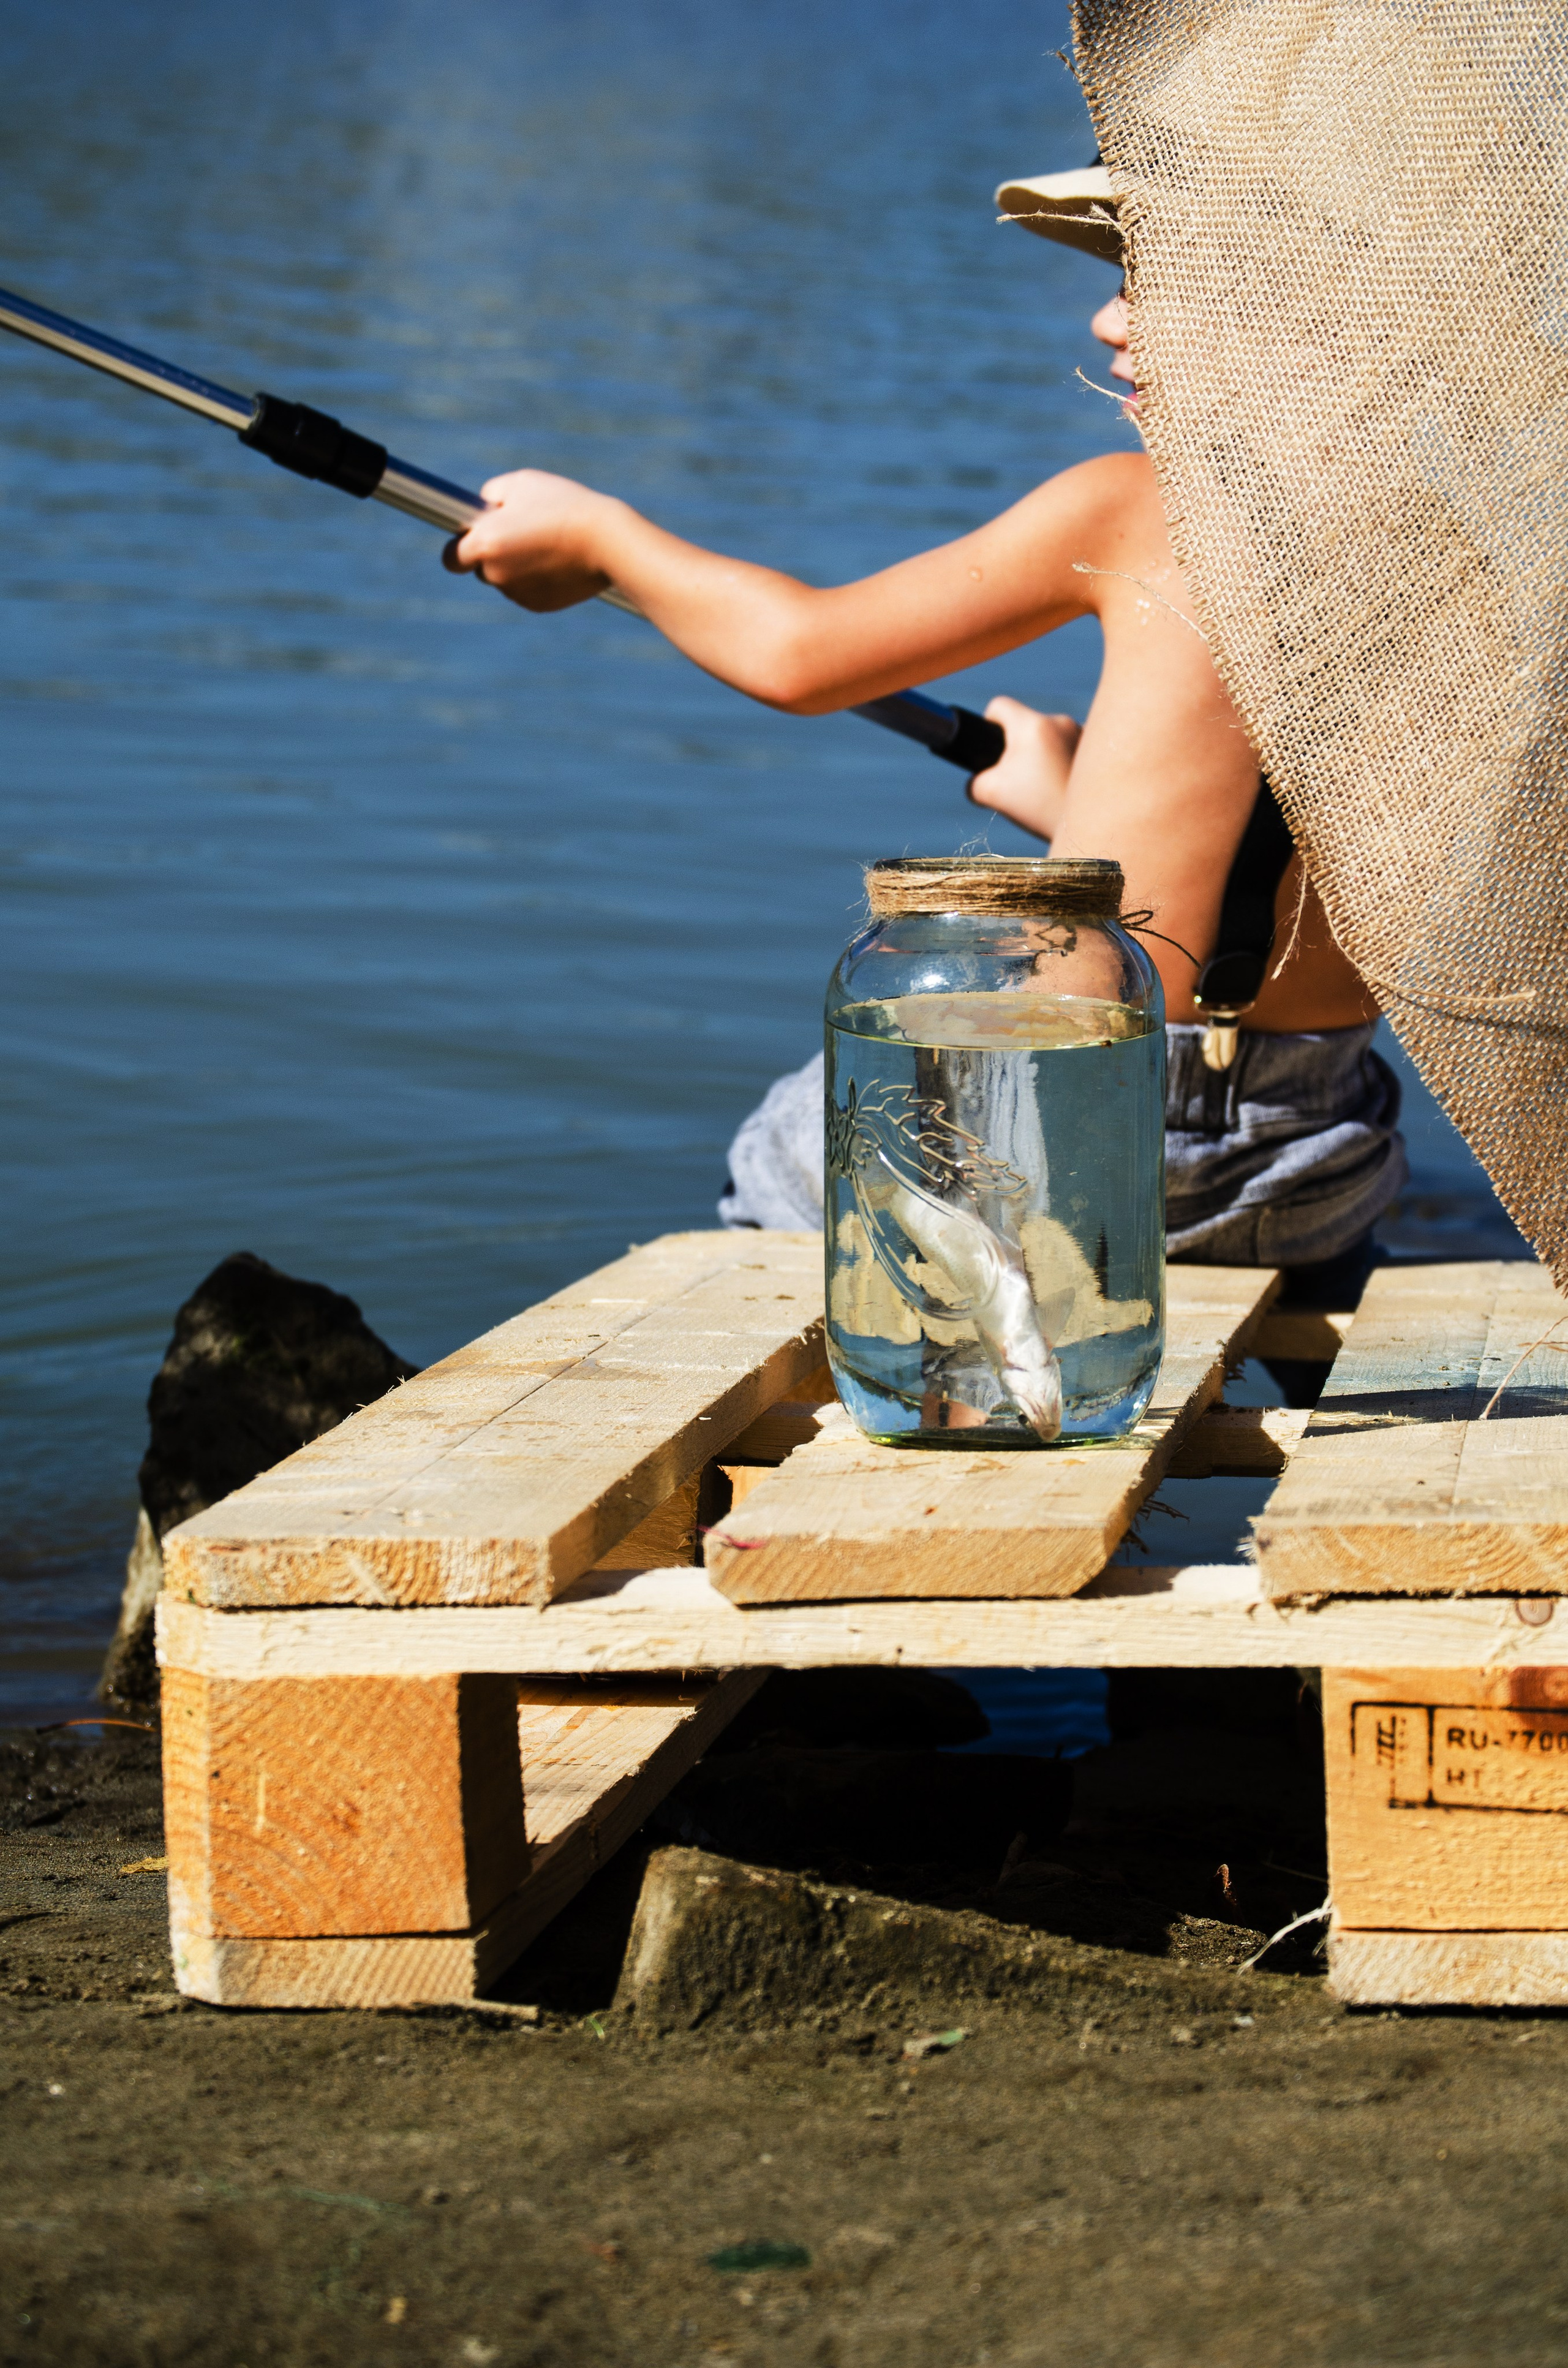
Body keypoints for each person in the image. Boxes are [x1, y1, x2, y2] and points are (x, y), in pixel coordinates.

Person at [444, 162, 1404, 1299]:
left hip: (1063, 1130)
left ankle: (814, 1357)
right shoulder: (1459, 566)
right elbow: (1298, 843)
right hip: (1315, 1149)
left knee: (790, 1144)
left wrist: (603, 539)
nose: (1106, 320)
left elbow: (799, 655)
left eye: (1153, 283)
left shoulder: (1133, 508)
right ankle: (1308, 1332)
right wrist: (1071, 806)